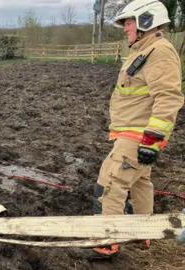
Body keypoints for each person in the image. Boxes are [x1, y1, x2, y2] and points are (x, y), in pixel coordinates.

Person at [84, 0, 184, 259]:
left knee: (110, 184)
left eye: (128, 22)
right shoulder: (143, 51)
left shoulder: (159, 51)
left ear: (145, 21)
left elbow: (169, 97)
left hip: (139, 136)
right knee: (140, 184)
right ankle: (142, 233)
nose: (125, 28)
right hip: (131, 134)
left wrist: (152, 140)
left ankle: (107, 242)